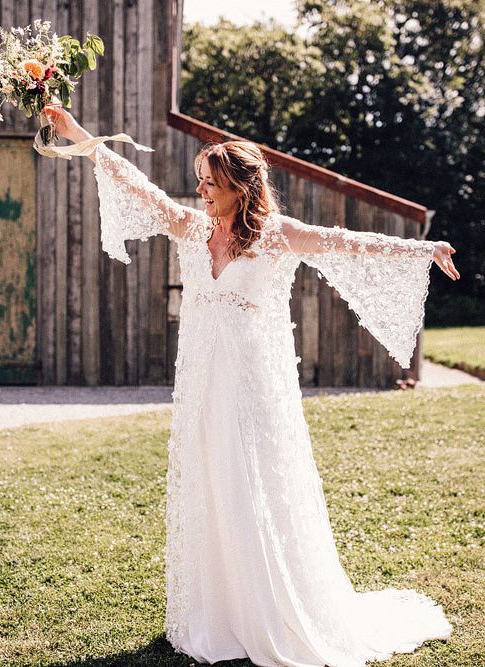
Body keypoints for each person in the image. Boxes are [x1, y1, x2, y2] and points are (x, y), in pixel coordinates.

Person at [42, 105, 457, 666]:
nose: (200, 190)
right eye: (199, 182)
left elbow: (347, 243)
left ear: (239, 186)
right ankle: (222, 612)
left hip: (254, 387)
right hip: (204, 382)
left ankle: (270, 608)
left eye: (210, 183)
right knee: (213, 480)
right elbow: (141, 191)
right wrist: (84, 140)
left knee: (252, 481)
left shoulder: (277, 236)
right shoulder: (193, 227)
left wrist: (421, 251)